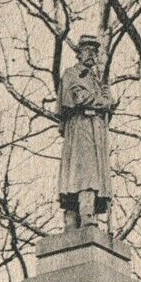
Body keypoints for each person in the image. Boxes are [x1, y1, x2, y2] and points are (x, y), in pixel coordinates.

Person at [57, 33, 117, 228]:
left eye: (95, 51)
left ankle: (84, 213)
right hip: (80, 126)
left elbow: (104, 107)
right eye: (88, 50)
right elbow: (78, 96)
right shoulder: (71, 73)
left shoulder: (98, 81)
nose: (92, 55)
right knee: (83, 171)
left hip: (96, 129)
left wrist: (108, 101)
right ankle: (80, 213)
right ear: (79, 54)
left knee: (93, 172)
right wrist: (103, 101)